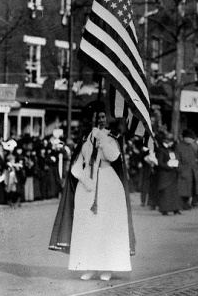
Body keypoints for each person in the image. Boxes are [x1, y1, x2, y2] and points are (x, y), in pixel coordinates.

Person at [50, 99, 135, 281]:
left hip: (107, 184)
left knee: (106, 226)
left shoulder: (112, 139)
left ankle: (108, 267)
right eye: (98, 117)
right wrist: (84, 179)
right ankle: (89, 265)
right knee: (88, 227)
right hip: (87, 186)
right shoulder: (85, 140)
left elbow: (114, 157)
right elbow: (76, 166)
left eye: (104, 116)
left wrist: (102, 139)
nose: (101, 119)